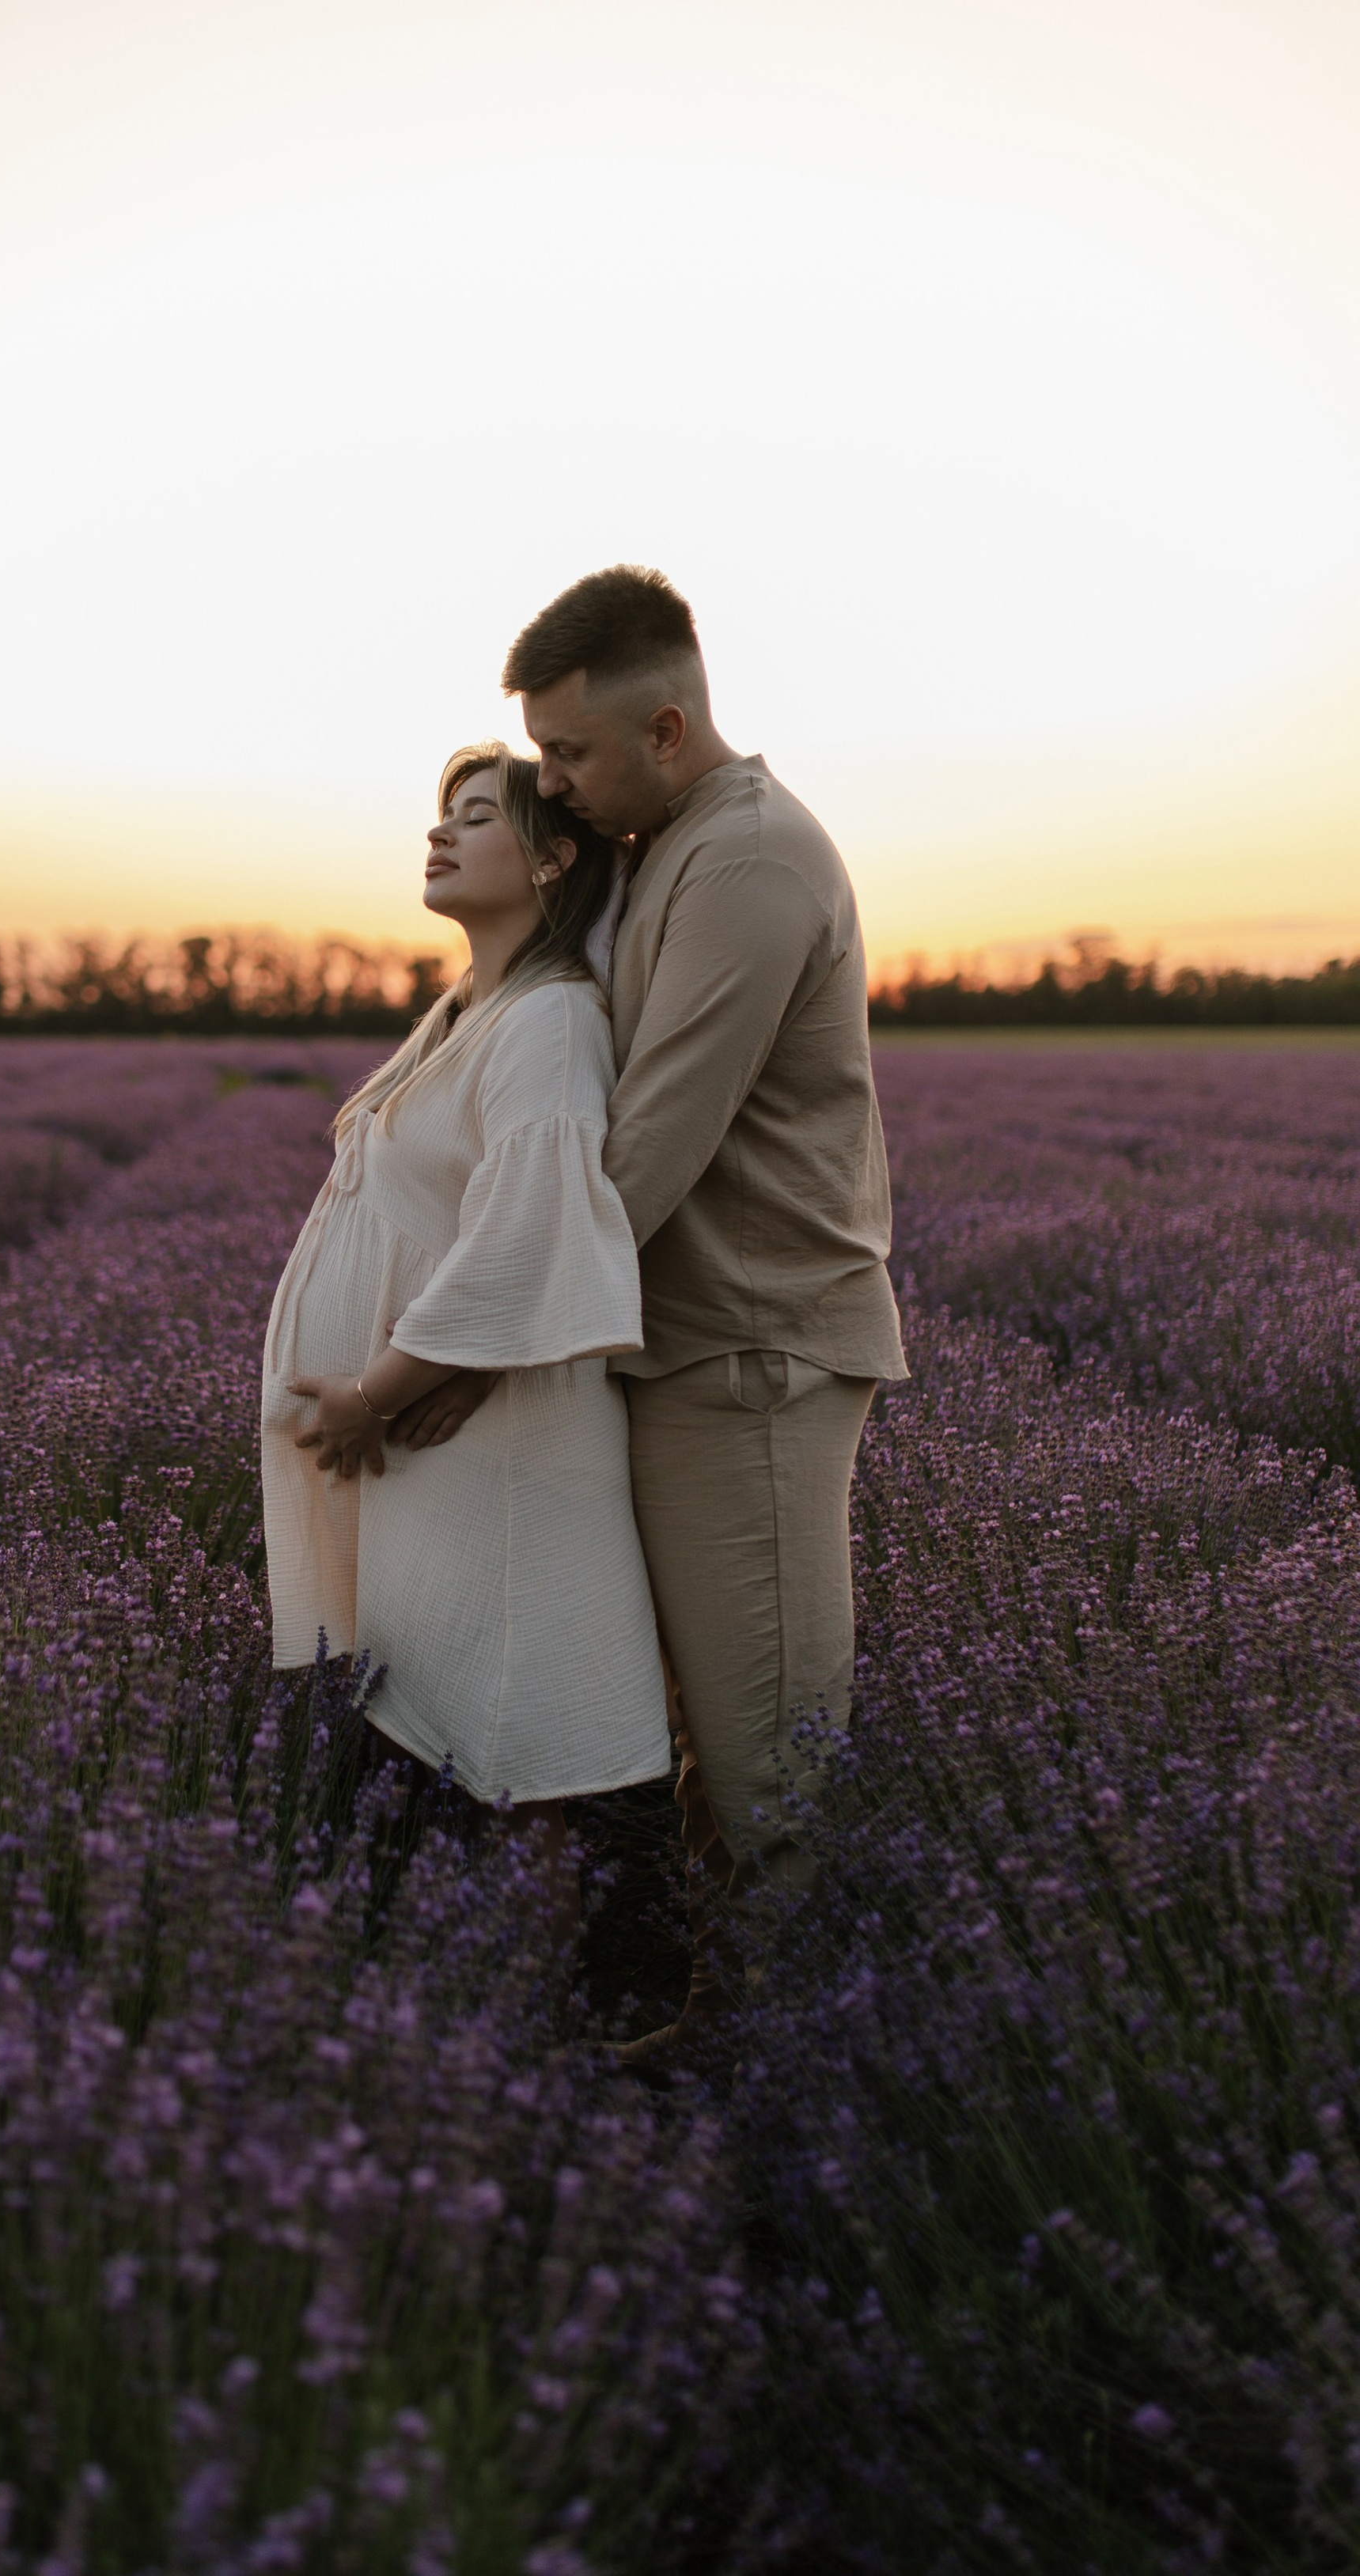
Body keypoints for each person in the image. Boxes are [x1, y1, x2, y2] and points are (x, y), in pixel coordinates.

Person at [395, 567, 906, 2059]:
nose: (548, 783)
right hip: (680, 1349)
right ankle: (724, 2033)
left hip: (750, 1358)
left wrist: (461, 1352)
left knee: (767, 1761)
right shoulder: (663, 845)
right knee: (715, 1747)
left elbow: (648, 1149)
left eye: (570, 756)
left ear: (668, 726)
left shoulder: (747, 862)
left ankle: (799, 2104)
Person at [261, 742, 673, 1820]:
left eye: (478, 816)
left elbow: (524, 1230)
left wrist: (375, 1393)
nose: (440, 833)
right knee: (438, 1700)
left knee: (520, 1721)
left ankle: (602, 1960)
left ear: (552, 860)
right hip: (435, 1440)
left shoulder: (551, 1020)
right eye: (443, 815)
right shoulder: (472, 1007)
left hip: (481, 1440)